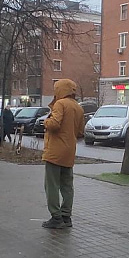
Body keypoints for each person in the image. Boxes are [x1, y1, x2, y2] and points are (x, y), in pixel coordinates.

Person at [41, 79, 85, 229]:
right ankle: (66, 216)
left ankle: (56, 217)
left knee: (51, 185)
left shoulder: (60, 104)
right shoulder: (78, 108)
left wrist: (45, 122)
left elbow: (54, 124)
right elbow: (80, 132)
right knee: (67, 185)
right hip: (69, 151)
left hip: (55, 152)